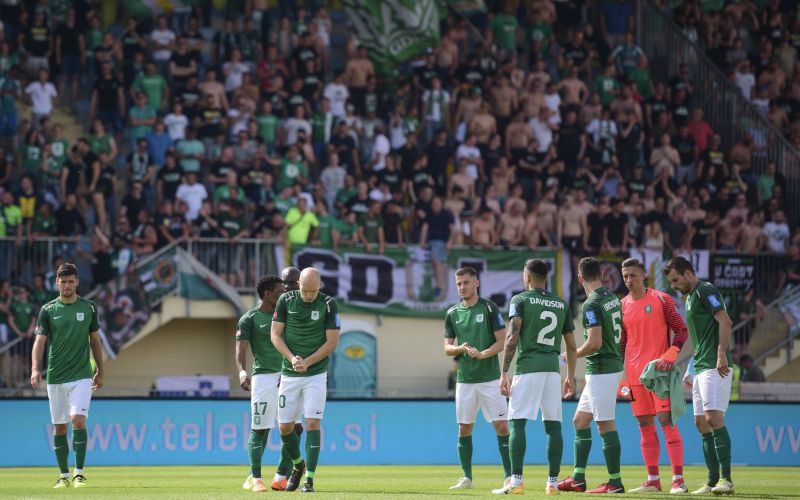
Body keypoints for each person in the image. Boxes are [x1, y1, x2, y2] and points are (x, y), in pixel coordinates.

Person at [494, 259, 577, 495]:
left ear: (527, 277)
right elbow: (572, 346)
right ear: (546, 278)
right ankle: (552, 483)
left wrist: (504, 373)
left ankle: (516, 481)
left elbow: (512, 336)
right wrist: (570, 376)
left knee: (517, 422)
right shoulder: (561, 304)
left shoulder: (520, 300)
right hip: (552, 370)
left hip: (528, 367)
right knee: (553, 426)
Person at [664, 256, 734, 495]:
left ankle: (726, 480)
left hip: (715, 365)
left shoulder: (705, 290)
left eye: (676, 280)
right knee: (700, 422)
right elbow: (699, 339)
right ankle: (712, 481)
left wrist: (721, 354)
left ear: (688, 273)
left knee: (713, 418)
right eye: (671, 282)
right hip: (701, 366)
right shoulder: (691, 297)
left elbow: (725, 321)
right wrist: (691, 369)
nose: (674, 285)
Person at [30, 263, 104, 488]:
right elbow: (39, 342)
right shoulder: (48, 310)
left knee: (78, 421)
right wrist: (35, 369)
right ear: (57, 283)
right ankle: (63, 476)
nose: (67, 285)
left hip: (81, 375)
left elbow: (95, 341)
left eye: (71, 281)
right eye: (63, 282)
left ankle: (79, 473)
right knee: (60, 428)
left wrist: (100, 371)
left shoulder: (89, 308)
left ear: (77, 282)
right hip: (56, 377)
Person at [619, 258, 689, 494]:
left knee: (666, 421)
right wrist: (621, 375)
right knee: (644, 425)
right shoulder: (621, 305)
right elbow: (622, 343)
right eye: (625, 276)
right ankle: (653, 481)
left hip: (659, 374)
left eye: (633, 275)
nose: (629, 280)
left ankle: (678, 480)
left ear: (644, 276)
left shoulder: (661, 299)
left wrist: (672, 352)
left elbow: (681, 330)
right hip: (634, 376)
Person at [270, 267, 340, 492]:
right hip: (290, 373)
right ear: (298, 284)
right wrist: (292, 358)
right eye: (305, 290)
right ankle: (298, 465)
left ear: (320, 286)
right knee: (284, 427)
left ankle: (309, 479)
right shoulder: (285, 301)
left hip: (315, 374)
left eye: (313, 291)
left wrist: (308, 362)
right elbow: (275, 335)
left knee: (312, 423)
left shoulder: (328, 304)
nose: (309, 295)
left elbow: (332, 342)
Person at [558, 257, 625, 494]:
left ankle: (615, 482)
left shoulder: (591, 304)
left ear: (579, 278)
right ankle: (577, 479)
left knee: (605, 424)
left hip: (602, 369)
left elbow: (595, 343)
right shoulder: (612, 299)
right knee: (580, 421)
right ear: (601, 275)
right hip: (607, 367)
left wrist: (572, 353)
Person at [443, 267, 510, 491]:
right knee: (464, 429)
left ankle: (509, 477)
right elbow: (447, 348)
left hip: (490, 379)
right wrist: (460, 348)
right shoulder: (452, 313)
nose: (462, 287)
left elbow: (501, 342)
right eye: (459, 283)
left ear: (476, 283)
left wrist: (483, 354)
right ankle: (467, 478)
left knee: (502, 427)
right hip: (465, 380)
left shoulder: (489, 308)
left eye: (466, 282)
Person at [237, 275, 295, 492]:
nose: (284, 294)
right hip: (263, 378)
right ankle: (256, 478)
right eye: (280, 291)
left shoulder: (289, 314)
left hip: (288, 376)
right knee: (260, 428)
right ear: (267, 294)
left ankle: (281, 476)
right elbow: (240, 351)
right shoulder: (249, 318)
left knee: (293, 427)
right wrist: (242, 372)